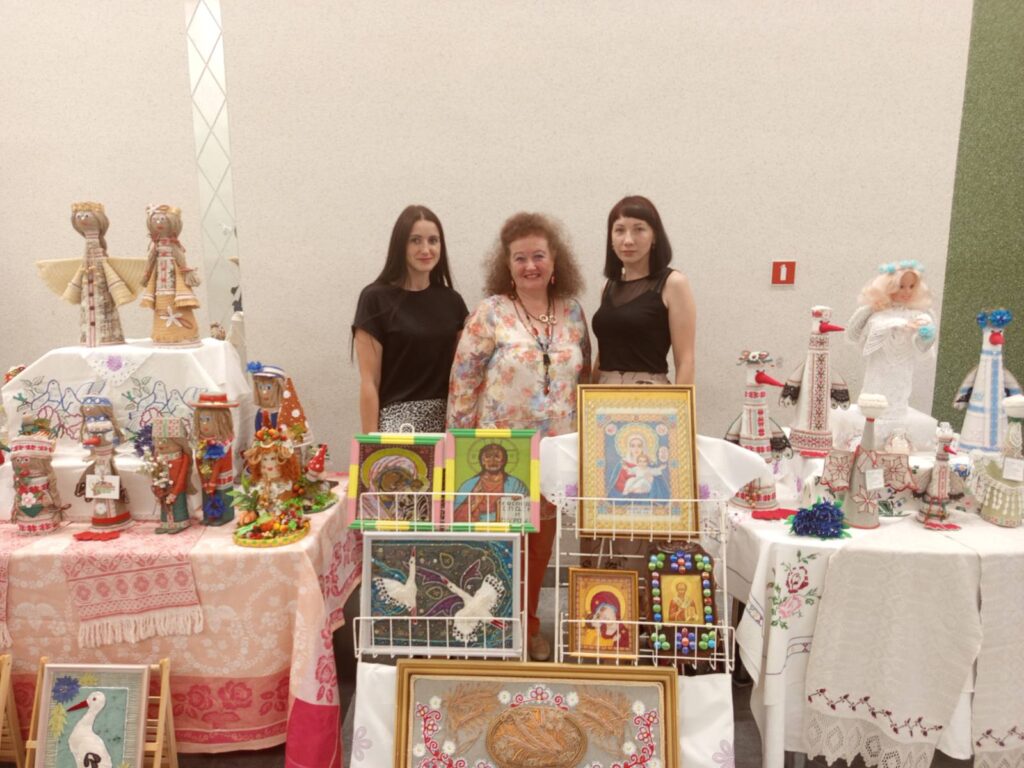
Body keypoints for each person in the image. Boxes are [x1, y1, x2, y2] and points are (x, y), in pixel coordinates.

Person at [448, 212, 591, 661]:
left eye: (539, 256)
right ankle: (492, 631)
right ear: (507, 265)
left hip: (556, 453)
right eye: (520, 258)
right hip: (499, 454)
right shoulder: (490, 312)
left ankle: (527, 627)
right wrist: (458, 449)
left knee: (539, 548)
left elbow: (585, 378)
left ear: (555, 260)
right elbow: (463, 382)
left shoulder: (573, 312)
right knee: (498, 548)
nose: (530, 266)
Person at [353, 205, 469, 433]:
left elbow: (465, 372)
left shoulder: (452, 301)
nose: (426, 249)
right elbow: (369, 382)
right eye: (415, 241)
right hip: (397, 428)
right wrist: (370, 443)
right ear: (400, 245)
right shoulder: (375, 299)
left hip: (448, 424)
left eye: (433, 240)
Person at [591, 195, 696, 385]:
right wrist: (588, 393)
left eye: (639, 229)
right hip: (604, 394)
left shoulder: (673, 283)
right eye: (619, 230)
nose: (628, 240)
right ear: (611, 239)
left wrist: (681, 403)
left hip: (650, 394)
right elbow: (603, 355)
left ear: (654, 236)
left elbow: (685, 361)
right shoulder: (607, 287)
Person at [846, 261, 936, 434]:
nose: (907, 291)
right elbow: (856, 332)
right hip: (878, 369)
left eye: (911, 286)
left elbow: (922, 347)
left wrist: (926, 335)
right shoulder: (877, 313)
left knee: (898, 393)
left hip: (902, 372)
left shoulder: (920, 315)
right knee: (874, 397)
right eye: (901, 286)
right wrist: (896, 323)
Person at [452, 442, 531, 522]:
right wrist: (475, 503)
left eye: (497, 457)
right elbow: (455, 517)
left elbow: (527, 512)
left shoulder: (516, 485)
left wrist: (518, 502)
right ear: (482, 461)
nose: (492, 461)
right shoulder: (469, 485)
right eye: (488, 457)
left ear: (503, 460)